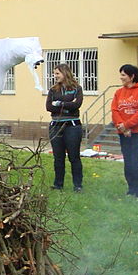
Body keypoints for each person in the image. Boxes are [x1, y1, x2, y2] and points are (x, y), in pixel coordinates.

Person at [111, 64, 138, 198]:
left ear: (132, 76)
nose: (121, 77)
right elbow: (115, 110)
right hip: (123, 132)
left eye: (123, 75)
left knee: (136, 161)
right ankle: (131, 189)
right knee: (128, 161)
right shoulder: (118, 92)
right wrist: (121, 126)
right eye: (120, 74)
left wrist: (128, 125)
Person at [46, 64, 84, 192]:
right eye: (54, 73)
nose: (55, 76)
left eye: (57, 73)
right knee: (58, 157)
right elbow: (49, 107)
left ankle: (77, 185)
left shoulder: (77, 88)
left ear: (65, 73)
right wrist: (68, 105)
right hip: (55, 126)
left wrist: (59, 103)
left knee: (74, 157)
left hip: (72, 127)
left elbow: (77, 105)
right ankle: (58, 184)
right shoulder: (53, 90)